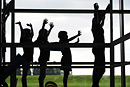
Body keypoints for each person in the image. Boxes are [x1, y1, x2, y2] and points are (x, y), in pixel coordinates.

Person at [35, 19, 54, 87]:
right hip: (43, 58)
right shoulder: (41, 39)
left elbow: (46, 34)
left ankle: (41, 85)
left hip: (44, 58)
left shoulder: (44, 39)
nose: (46, 34)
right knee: (42, 74)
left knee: (43, 74)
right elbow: (42, 33)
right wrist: (43, 25)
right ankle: (41, 85)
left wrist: (50, 28)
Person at [91, 3, 106, 87]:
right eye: (101, 15)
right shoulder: (95, 25)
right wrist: (96, 10)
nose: (102, 17)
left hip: (99, 48)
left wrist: (104, 15)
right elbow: (96, 19)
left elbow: (101, 22)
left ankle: (95, 84)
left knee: (99, 67)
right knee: (100, 68)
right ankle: (95, 84)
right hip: (98, 48)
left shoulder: (99, 26)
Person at [15, 21, 34, 87]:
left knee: (25, 74)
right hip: (27, 57)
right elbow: (22, 33)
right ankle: (24, 85)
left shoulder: (29, 39)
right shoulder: (24, 40)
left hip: (28, 57)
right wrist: (20, 26)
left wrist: (31, 27)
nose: (29, 33)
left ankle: (24, 85)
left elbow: (32, 34)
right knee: (24, 74)